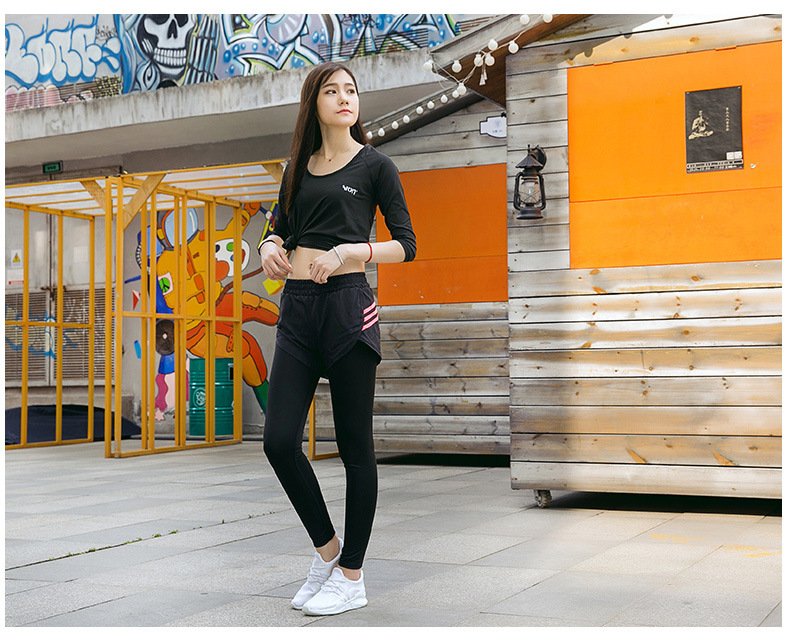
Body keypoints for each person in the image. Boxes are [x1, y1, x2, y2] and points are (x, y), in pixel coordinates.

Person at [259, 61, 416, 616]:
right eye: (333, 90)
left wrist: (352, 250)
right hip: (298, 310)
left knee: (354, 447)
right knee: (278, 441)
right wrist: (268, 247)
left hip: (350, 308)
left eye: (351, 90)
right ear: (315, 103)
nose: (345, 97)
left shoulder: (376, 165)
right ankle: (328, 552)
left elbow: (407, 244)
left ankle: (352, 576)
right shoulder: (296, 169)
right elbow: (279, 227)